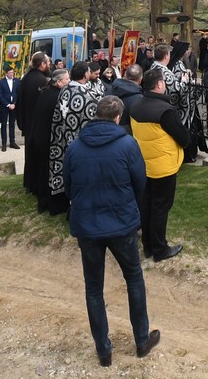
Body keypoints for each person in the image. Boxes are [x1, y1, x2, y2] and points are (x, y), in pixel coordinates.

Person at [64, 95, 160, 366]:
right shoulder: (127, 145)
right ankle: (141, 339)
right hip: (120, 222)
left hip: (90, 223)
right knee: (133, 278)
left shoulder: (75, 147)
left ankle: (104, 348)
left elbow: (68, 186)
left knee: (94, 287)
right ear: (118, 117)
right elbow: (140, 182)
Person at [129, 68, 190, 263]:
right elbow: (184, 138)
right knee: (160, 207)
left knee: (147, 205)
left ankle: (148, 245)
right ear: (160, 85)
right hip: (163, 166)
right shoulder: (164, 111)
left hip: (144, 164)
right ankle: (159, 248)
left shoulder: (136, 106)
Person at [47, 62, 104, 215]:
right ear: (86, 74)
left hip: (66, 140)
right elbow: (94, 124)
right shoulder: (87, 96)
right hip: (83, 145)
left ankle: (71, 203)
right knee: (84, 179)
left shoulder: (65, 89)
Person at [30, 69, 69, 211]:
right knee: (50, 173)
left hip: (41, 138)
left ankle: (44, 201)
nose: (69, 82)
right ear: (59, 82)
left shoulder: (46, 93)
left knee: (43, 171)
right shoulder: (56, 97)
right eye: (66, 79)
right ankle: (52, 203)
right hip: (49, 141)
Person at [18, 52, 52, 139]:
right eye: (48, 63)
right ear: (43, 64)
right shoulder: (44, 81)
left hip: (27, 124)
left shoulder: (26, 78)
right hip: (40, 126)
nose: (49, 65)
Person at [105, 64, 143, 132]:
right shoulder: (139, 98)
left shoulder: (110, 89)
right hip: (127, 134)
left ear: (125, 75)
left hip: (107, 129)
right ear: (140, 79)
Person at [0, 66, 21, 151]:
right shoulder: (1, 82)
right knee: (3, 125)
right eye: (10, 73)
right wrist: (7, 104)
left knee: (12, 124)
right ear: (6, 73)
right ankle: (4, 143)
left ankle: (12, 142)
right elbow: (0, 95)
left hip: (14, 106)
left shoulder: (17, 81)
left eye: (12, 72)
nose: (11, 74)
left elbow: (18, 93)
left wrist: (14, 103)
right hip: (4, 107)